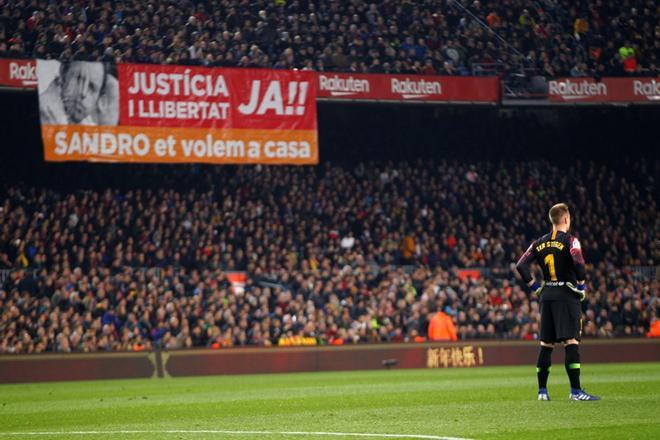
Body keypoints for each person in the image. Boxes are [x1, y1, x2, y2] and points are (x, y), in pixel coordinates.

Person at [516, 203, 600, 401]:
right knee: (571, 341)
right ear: (566, 219)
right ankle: (576, 391)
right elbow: (579, 262)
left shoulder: (538, 242)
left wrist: (535, 287)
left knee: (546, 343)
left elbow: (521, 265)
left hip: (547, 295)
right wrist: (581, 285)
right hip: (566, 294)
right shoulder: (571, 241)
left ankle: (542, 392)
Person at [39, 61, 118, 126]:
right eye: (78, 79)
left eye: (91, 87)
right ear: (63, 72)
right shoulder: (43, 112)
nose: (83, 93)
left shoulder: (86, 126)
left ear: (98, 98)